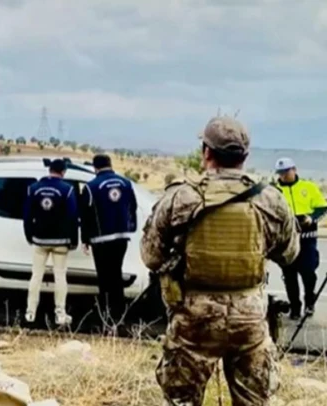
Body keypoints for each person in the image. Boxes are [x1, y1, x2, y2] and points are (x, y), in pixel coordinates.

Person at [141, 116, 299, 405]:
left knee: (181, 401)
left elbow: (151, 256)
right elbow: (289, 254)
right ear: (245, 156)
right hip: (249, 317)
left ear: (206, 152)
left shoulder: (181, 197)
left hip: (194, 318)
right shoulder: (269, 199)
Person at [80, 154, 137, 324]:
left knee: (104, 277)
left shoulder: (91, 187)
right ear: (110, 164)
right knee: (116, 274)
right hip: (121, 238)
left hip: (101, 240)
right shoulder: (126, 183)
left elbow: (86, 214)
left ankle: (106, 315)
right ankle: (119, 313)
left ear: (95, 167)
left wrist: (85, 239)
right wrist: (130, 227)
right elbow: (132, 206)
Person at [22, 158, 79, 326]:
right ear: (63, 172)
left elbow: (27, 215)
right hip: (61, 241)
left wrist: (29, 235)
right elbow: (73, 217)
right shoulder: (67, 189)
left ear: (50, 170)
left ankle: (30, 313)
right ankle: (60, 314)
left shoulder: (33, 188)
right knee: (60, 276)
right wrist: (73, 240)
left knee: (36, 275)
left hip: (40, 240)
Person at [274, 157, 327, 319]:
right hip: (286, 240)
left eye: (287, 171)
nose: (284, 175)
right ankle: (295, 308)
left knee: (308, 273)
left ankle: (309, 302)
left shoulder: (308, 187)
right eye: (281, 173)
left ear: (294, 170)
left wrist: (311, 218)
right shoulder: (274, 191)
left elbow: (322, 208)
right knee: (289, 276)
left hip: (307, 239)